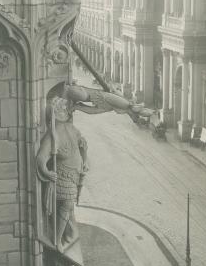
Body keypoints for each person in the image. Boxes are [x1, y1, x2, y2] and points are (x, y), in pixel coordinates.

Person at [36, 82, 151, 253]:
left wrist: (120, 109)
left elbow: (93, 107)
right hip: (62, 171)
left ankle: (62, 235)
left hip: (72, 169)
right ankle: (58, 239)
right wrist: (47, 172)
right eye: (63, 108)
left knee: (67, 207)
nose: (67, 110)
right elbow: (41, 157)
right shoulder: (56, 126)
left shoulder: (69, 116)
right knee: (66, 205)